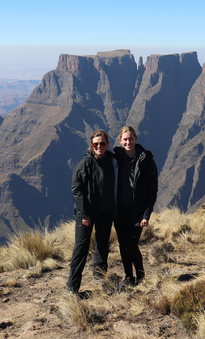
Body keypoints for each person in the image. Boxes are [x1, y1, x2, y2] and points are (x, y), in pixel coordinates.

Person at [67, 130, 118, 293]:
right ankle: (72, 287)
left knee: (102, 246)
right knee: (81, 248)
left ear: (107, 144)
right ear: (91, 145)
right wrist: (84, 213)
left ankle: (100, 278)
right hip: (86, 214)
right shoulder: (85, 164)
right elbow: (76, 189)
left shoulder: (111, 161)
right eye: (95, 144)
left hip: (106, 212)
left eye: (102, 143)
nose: (99, 146)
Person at [114, 126, 158, 286]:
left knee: (130, 244)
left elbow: (151, 191)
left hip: (136, 212)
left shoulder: (146, 160)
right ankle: (128, 277)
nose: (128, 142)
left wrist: (146, 215)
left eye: (130, 139)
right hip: (119, 211)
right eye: (125, 139)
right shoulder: (116, 157)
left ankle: (140, 275)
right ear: (120, 141)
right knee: (122, 245)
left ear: (136, 139)